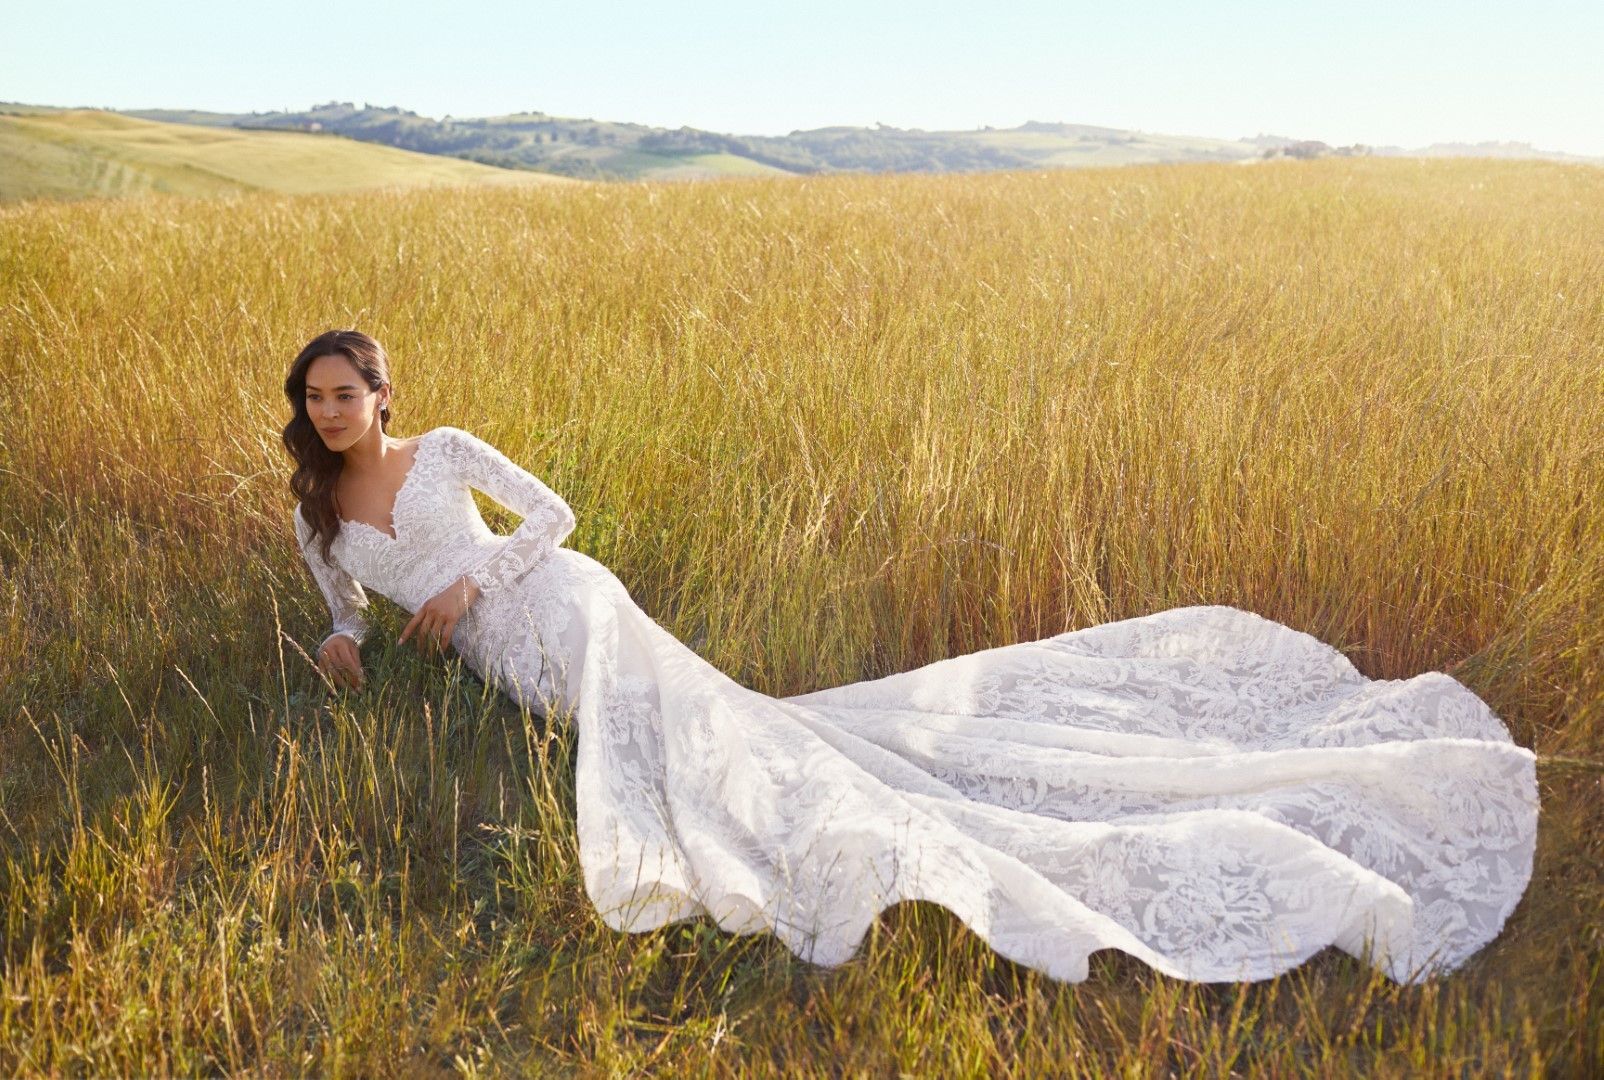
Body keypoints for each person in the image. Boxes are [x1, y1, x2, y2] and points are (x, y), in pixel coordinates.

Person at [286, 329, 1539, 985]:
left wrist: (467, 581)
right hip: (495, 661)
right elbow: (341, 606)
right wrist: (348, 646)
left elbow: (555, 522)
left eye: (348, 392)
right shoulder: (314, 508)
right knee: (721, 746)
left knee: (688, 742)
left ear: (384, 397)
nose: (333, 410)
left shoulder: (444, 451)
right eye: (316, 397)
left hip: (564, 604)